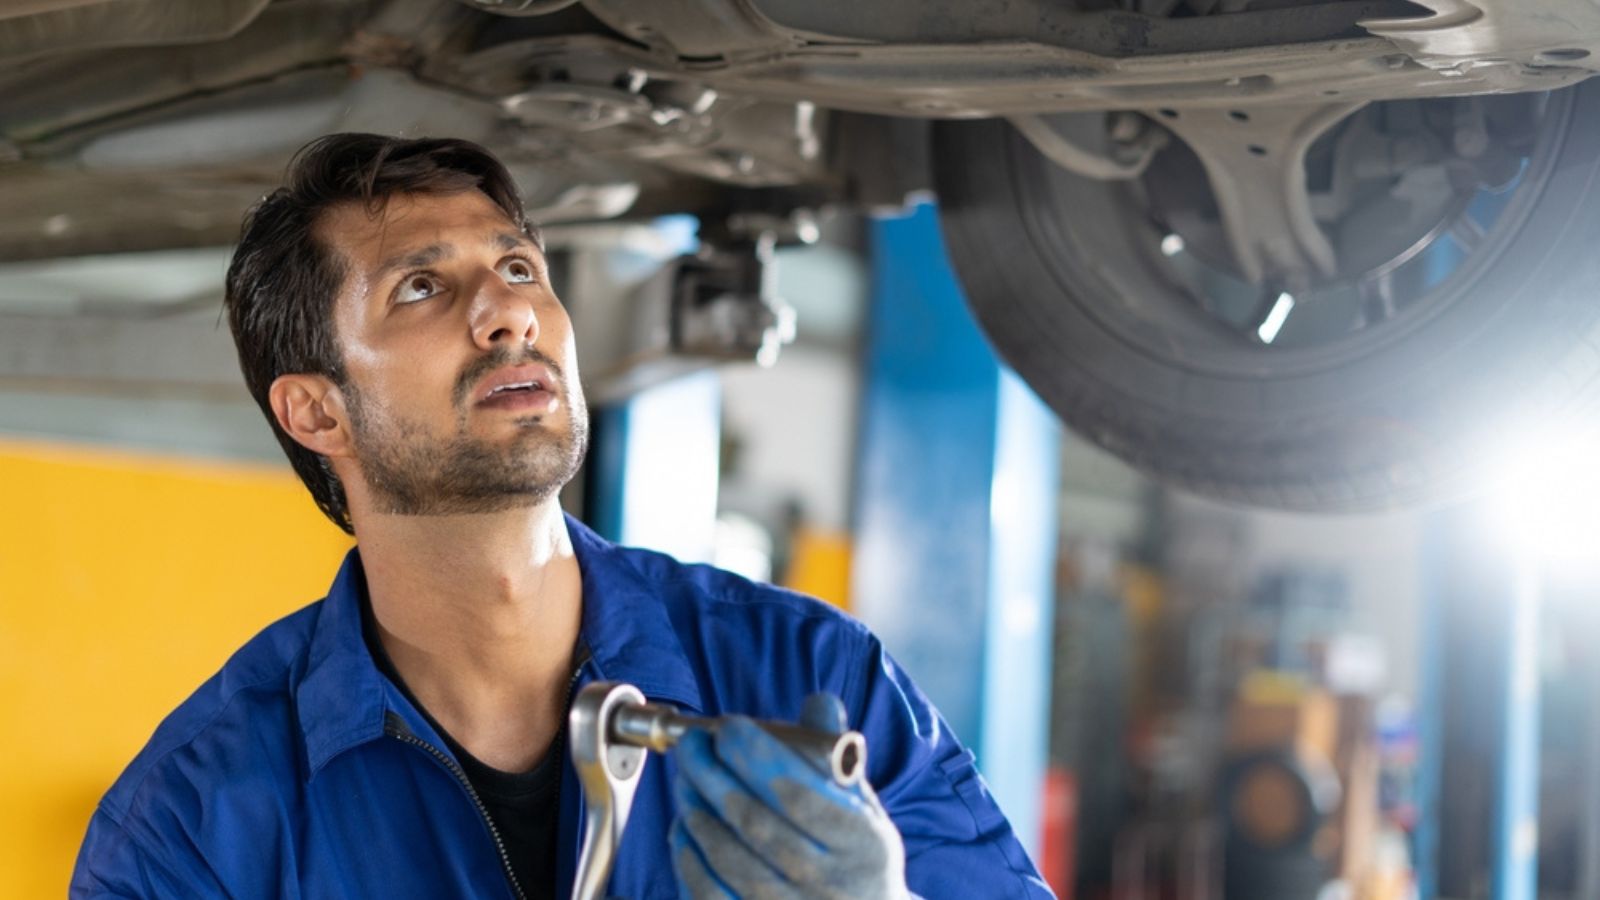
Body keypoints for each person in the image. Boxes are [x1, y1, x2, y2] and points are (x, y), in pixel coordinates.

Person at [70, 133, 1052, 899]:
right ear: (316, 410)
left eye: (519, 269)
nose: (510, 315)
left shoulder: (807, 678)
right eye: (422, 287)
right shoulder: (197, 819)